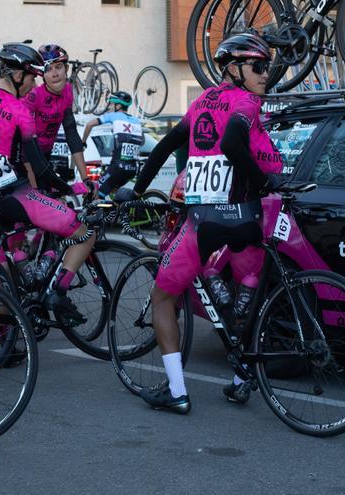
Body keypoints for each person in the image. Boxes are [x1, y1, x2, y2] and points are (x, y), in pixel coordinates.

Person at [128, 33, 283, 413]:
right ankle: (242, 377)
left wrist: (136, 191)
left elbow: (165, 146)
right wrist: (263, 183)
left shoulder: (200, 103)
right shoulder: (247, 103)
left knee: (163, 299)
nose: (267, 74)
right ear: (233, 69)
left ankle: (177, 391)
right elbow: (234, 145)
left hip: (203, 223)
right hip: (246, 216)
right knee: (246, 302)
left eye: (268, 67)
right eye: (258, 66)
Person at [0, 42, 96, 326]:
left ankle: (8, 345)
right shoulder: (19, 109)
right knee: (86, 232)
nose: (34, 83)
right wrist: (68, 188)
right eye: (32, 76)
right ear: (17, 76)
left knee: (0, 272)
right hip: (16, 195)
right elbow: (39, 167)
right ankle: (57, 295)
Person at [24, 44, 89, 187]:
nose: (54, 74)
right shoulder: (34, 96)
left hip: (46, 156)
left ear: (66, 69)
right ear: (42, 74)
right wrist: (34, 187)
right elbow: (23, 141)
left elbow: (71, 132)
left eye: (58, 67)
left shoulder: (68, 91)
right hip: (26, 160)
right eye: (48, 69)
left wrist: (86, 179)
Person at [81, 91, 144, 198]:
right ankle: (118, 212)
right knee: (113, 192)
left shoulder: (114, 116)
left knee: (95, 193)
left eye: (111, 104)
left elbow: (89, 124)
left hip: (117, 168)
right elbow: (142, 141)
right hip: (132, 169)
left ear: (118, 105)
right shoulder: (136, 120)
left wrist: (83, 142)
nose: (109, 107)